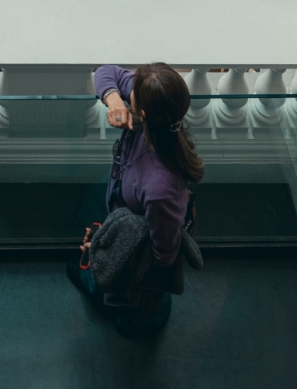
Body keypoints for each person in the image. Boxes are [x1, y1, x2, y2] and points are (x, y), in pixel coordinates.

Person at [74, 64, 205, 336]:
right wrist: (113, 101)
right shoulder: (156, 114)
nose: (128, 91)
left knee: (137, 304)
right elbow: (105, 71)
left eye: (131, 93)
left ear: (142, 111)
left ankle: (141, 319)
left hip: (135, 246)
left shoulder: (160, 188)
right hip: (124, 209)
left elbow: (163, 254)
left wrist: (108, 248)